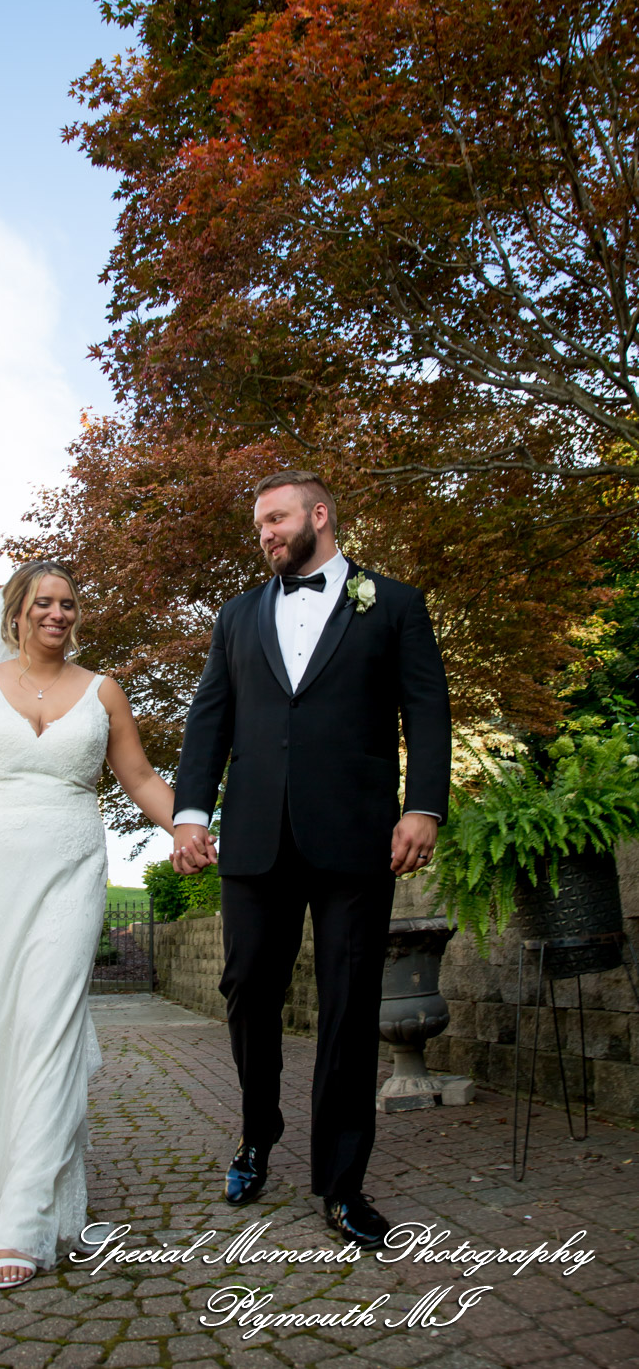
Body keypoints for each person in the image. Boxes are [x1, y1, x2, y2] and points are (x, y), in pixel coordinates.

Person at [0, 560, 193, 1289]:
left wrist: (185, 826)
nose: (58, 613)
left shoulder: (102, 691)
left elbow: (140, 776)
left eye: (69, 604)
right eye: (44, 602)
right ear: (17, 611)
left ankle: (22, 1214)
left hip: (70, 868)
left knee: (50, 1018)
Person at [171, 470, 451, 1249]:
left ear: (319, 516)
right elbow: (209, 720)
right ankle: (257, 1134)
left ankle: (340, 1182)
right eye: (258, 522)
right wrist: (190, 814)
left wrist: (423, 805)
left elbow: (428, 709)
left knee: (351, 1003)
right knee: (246, 987)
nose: (264, 532)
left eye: (276, 517)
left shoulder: (393, 604)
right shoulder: (235, 617)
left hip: (356, 835)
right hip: (255, 838)